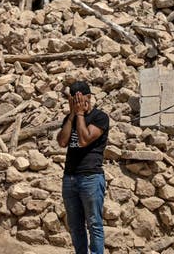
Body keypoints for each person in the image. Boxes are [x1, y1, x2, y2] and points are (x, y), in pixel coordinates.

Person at [56, 81, 110, 254]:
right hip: (70, 177)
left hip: (90, 177)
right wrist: (72, 115)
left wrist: (80, 115)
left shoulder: (99, 117)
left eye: (81, 99)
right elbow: (62, 141)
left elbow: (84, 139)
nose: (78, 103)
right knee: (75, 225)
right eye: (74, 100)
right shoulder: (70, 118)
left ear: (89, 97)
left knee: (94, 224)